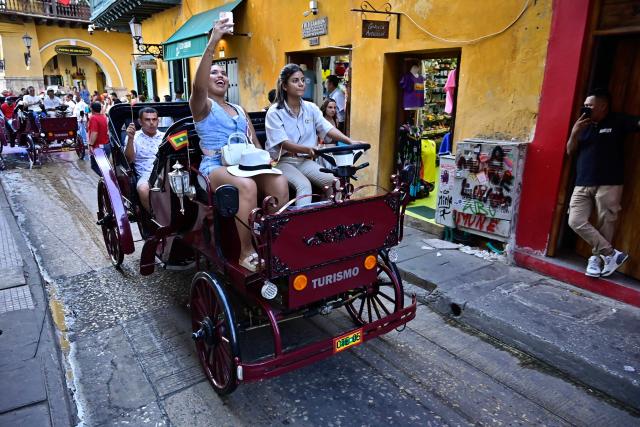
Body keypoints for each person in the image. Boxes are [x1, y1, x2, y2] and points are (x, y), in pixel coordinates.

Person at [190, 18, 288, 272]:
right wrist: (213, 42)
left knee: (279, 180)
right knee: (244, 186)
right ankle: (246, 251)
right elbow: (198, 87)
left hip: (246, 162)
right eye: (214, 72)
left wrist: (267, 158)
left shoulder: (238, 108)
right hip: (215, 166)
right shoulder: (202, 106)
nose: (220, 75)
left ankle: (275, 242)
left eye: (223, 73)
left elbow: (253, 142)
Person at [566, 88, 640, 277]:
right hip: (582, 182)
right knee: (575, 221)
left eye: (589, 105)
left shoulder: (618, 121)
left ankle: (596, 260)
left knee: (606, 222)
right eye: (585, 105)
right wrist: (574, 133)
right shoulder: (583, 125)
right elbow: (570, 151)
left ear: (603, 106)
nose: (585, 108)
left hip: (610, 182)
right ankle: (611, 254)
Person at [265, 64, 358, 207]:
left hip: (304, 161)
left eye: (302, 80)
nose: (301, 84)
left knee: (336, 182)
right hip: (282, 162)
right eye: (295, 81)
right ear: (284, 86)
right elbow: (282, 143)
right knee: (304, 186)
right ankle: (302, 227)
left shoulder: (311, 108)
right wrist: (307, 149)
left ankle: (328, 221)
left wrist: (349, 141)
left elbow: (327, 129)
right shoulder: (275, 112)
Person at [124, 107, 164, 212]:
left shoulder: (165, 136)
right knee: (143, 189)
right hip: (146, 175)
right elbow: (129, 160)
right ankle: (153, 215)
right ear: (140, 122)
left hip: (164, 171)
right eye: (147, 119)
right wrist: (130, 139)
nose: (151, 123)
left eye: (154, 119)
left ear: (158, 121)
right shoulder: (134, 137)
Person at [88, 101, 110, 173]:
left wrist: (91, 145)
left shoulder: (93, 118)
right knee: (104, 168)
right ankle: (107, 181)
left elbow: (94, 133)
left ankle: (108, 182)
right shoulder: (104, 117)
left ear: (92, 109)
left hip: (98, 147)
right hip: (106, 145)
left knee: (95, 166)